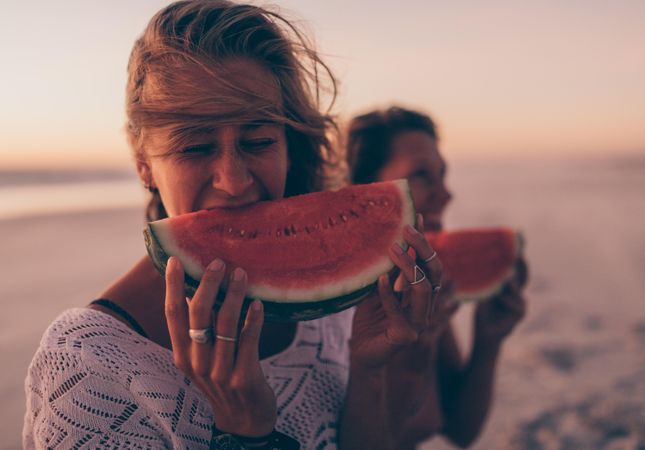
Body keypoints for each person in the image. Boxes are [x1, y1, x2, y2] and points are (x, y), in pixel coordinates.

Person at [23, 4, 443, 450]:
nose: (235, 181)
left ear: (288, 147)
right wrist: (245, 435)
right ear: (145, 167)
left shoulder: (334, 314)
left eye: (259, 142)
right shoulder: (86, 368)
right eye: (196, 147)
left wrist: (369, 366)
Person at [346, 106, 528, 449]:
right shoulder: (329, 313)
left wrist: (488, 342)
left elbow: (459, 430)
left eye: (442, 175)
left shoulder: (421, 286)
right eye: (421, 175)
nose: (446, 194)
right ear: (362, 192)